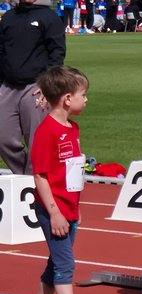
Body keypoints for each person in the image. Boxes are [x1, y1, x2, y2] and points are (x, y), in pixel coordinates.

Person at [25, 65, 104, 294]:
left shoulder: (72, 128)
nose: (87, 99)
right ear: (68, 98)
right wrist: (55, 212)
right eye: (84, 94)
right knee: (65, 265)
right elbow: (40, 176)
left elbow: (71, 172)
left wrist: (74, 208)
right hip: (53, 210)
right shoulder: (46, 132)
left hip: (69, 209)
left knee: (56, 263)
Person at [0, 0, 65, 176]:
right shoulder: (9, 17)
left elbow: (57, 53)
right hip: (8, 86)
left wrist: (48, 84)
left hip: (37, 86)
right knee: (3, 137)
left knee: (37, 141)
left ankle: (34, 181)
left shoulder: (49, 17)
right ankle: (25, 177)